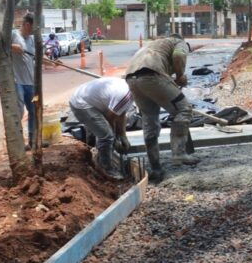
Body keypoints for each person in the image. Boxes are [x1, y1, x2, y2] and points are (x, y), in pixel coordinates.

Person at [124, 34, 196, 182]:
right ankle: (179, 154)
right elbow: (179, 55)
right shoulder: (179, 42)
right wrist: (180, 75)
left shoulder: (155, 45)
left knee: (149, 120)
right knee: (184, 109)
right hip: (152, 74)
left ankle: (155, 167)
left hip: (132, 78)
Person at [68, 76, 134, 180]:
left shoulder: (131, 89)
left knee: (99, 130)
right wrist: (114, 138)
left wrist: (122, 135)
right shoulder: (125, 95)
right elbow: (110, 118)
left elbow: (121, 114)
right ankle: (106, 168)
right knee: (107, 136)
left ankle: (93, 154)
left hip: (90, 100)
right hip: (81, 103)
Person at [11, 14, 38, 149]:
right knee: (19, 111)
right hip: (18, 82)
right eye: (34, 27)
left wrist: (53, 63)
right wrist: (13, 47)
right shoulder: (14, 35)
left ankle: (32, 141)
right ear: (27, 25)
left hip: (31, 84)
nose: (35, 30)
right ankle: (18, 142)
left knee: (34, 110)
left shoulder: (32, 40)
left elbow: (39, 56)